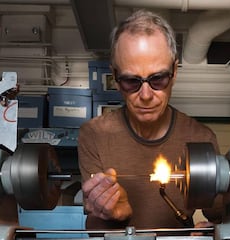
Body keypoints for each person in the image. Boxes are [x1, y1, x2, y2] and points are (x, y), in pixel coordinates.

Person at [78, 9, 221, 230]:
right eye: (131, 81)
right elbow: (93, 227)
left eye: (158, 78)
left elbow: (220, 215)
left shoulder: (201, 138)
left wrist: (211, 229)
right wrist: (116, 213)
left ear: (174, 71)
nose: (145, 95)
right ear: (115, 78)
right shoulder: (95, 135)